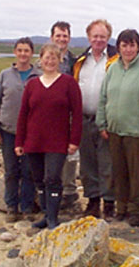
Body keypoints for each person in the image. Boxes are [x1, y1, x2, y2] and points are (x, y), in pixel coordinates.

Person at [96, 29, 139, 227]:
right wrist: (102, 122)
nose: (128, 49)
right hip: (115, 130)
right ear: (119, 47)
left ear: (138, 47)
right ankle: (121, 208)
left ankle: (135, 211)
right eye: (124, 45)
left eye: (132, 45)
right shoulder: (112, 68)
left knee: (136, 173)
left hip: (138, 132)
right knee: (119, 172)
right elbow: (103, 97)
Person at [15, 43, 82, 229]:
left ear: (59, 60)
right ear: (40, 60)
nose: (50, 61)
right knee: (39, 180)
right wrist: (19, 141)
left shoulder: (69, 83)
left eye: (54, 58)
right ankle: (45, 215)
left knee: (52, 178)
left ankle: (53, 218)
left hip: (58, 141)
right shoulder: (32, 85)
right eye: (46, 58)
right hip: (34, 141)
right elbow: (23, 115)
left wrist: (74, 140)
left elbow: (77, 114)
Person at [0, 37, 40, 223]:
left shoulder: (38, 75)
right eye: (19, 50)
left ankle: (27, 207)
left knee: (29, 171)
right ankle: (11, 206)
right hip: (8, 130)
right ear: (14, 52)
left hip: (31, 133)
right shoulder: (4, 75)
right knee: (11, 170)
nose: (23, 54)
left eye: (26, 50)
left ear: (31, 53)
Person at [74, 19, 118, 220]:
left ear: (108, 37)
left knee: (107, 163)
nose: (98, 40)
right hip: (83, 119)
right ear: (88, 37)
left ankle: (109, 203)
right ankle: (92, 201)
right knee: (87, 163)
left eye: (102, 36)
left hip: (107, 121)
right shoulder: (81, 61)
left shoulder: (116, 60)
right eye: (95, 36)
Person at [50, 21, 79, 209]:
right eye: (58, 35)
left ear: (69, 38)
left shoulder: (76, 62)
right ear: (52, 37)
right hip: (48, 116)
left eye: (65, 36)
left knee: (70, 156)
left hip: (68, 115)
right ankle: (51, 191)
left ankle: (69, 192)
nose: (61, 39)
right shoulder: (44, 59)